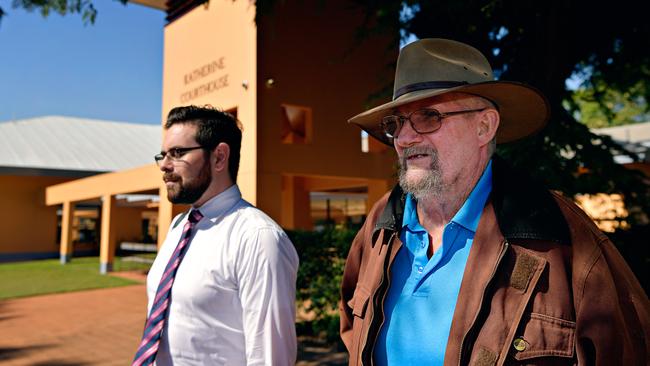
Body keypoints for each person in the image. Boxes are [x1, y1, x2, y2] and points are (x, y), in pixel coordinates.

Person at [340, 38, 649, 365]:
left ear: (484, 126)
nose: (403, 138)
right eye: (396, 123)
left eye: (428, 117)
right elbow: (352, 325)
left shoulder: (555, 230)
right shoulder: (383, 220)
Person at [132, 105, 299, 366]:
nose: (164, 165)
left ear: (219, 157)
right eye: (163, 154)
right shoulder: (179, 226)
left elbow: (270, 358)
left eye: (177, 153)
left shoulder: (258, 238)